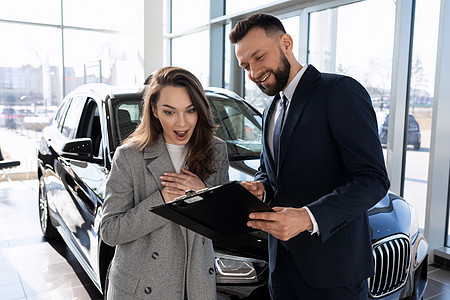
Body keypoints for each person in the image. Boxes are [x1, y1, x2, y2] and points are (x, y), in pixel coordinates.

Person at [230, 13, 390, 299]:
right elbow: (270, 173)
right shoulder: (270, 110)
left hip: (334, 270)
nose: (253, 73)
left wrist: (308, 217)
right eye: (245, 66)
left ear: (286, 43)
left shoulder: (340, 91)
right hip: (282, 269)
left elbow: (373, 179)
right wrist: (261, 187)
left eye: (259, 57)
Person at [100, 66, 229, 299]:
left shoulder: (216, 150)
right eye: (170, 112)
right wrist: (163, 200)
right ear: (155, 110)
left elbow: (223, 226)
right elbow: (110, 231)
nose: (182, 123)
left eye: (190, 110)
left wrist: (204, 194)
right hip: (142, 288)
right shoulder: (129, 156)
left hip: (196, 285)